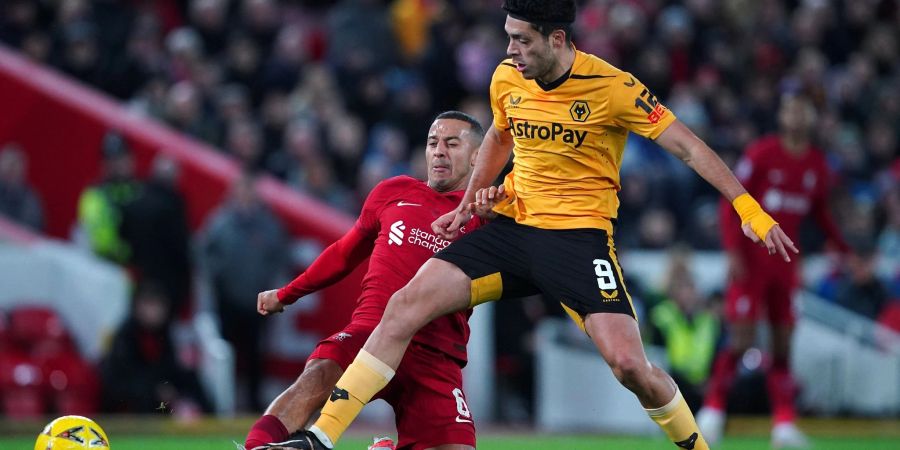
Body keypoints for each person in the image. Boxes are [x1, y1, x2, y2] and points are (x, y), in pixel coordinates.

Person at [284, 2, 796, 449]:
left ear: (557, 39)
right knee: (404, 305)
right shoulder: (508, 77)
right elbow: (501, 137)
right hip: (513, 231)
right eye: (509, 36)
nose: (511, 49)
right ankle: (322, 436)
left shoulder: (613, 87)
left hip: (579, 241)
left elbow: (687, 146)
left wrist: (749, 209)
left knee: (630, 368)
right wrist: (469, 201)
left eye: (521, 39)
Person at [246, 111, 487, 450]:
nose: (439, 152)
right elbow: (344, 253)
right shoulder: (394, 191)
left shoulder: (485, 217)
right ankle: (253, 447)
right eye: (433, 143)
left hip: (435, 354)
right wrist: (287, 294)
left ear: (478, 155)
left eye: (452, 144)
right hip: (371, 333)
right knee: (317, 375)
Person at [697, 94, 849, 448]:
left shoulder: (815, 163)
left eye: (801, 108)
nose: (794, 115)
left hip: (785, 265)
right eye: (789, 108)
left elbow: (820, 213)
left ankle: (783, 424)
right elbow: (730, 200)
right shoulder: (762, 153)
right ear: (781, 116)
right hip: (751, 262)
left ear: (811, 117)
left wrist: (842, 249)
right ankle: (713, 411)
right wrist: (733, 250)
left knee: (783, 344)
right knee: (742, 339)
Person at [201, 171, 289, 411]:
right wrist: (218, 277)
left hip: (258, 300)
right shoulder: (220, 221)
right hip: (227, 300)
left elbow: (279, 257)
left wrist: (271, 285)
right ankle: (224, 404)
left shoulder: (268, 224)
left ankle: (253, 405)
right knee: (225, 356)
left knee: (255, 357)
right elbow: (204, 254)